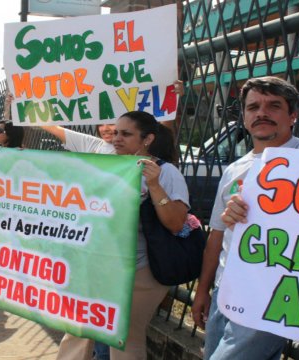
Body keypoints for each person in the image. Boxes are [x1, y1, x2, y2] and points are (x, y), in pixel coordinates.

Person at [190, 76, 299, 360]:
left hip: (273, 295)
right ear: (244, 118)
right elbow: (216, 236)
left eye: (273, 106)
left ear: (293, 115)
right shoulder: (234, 170)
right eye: (253, 107)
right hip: (227, 290)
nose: (262, 113)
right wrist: (203, 291)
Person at [56, 111, 190, 360]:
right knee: (77, 330)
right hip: (96, 265)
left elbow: (175, 223)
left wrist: (154, 186)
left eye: (126, 134)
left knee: (125, 339)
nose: (117, 138)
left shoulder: (165, 172)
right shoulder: (104, 166)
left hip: (140, 270)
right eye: (116, 132)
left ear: (148, 139)